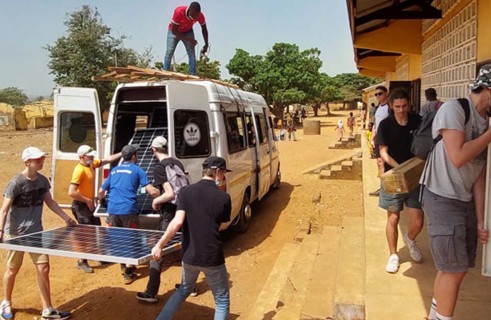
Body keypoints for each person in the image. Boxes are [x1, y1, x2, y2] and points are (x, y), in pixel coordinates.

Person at [420, 64, 491, 320]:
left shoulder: (485, 121)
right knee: (454, 269)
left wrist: (482, 218)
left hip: (464, 199)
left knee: (453, 269)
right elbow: (459, 156)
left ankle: (434, 316)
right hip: (442, 196)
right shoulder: (454, 109)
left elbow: (479, 173)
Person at [0, 147, 76, 320]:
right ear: (27, 162)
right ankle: (6, 302)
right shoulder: (15, 183)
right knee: (12, 270)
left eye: (42, 158)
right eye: (37, 159)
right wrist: (0, 231)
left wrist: (66, 218)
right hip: (16, 235)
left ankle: (47, 309)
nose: (41, 161)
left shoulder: (42, 181)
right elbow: (4, 210)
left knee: (43, 268)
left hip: (36, 234)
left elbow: (50, 202)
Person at [152, 156, 231, 320]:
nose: (223, 178)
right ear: (218, 172)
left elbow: (177, 222)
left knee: (183, 290)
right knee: (222, 300)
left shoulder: (185, 192)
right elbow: (222, 224)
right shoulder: (223, 198)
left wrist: (159, 245)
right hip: (212, 256)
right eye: (223, 174)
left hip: (189, 255)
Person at [136, 136, 196, 303]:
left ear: (153, 150)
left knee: (158, 248)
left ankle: (151, 292)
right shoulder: (177, 163)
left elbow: (170, 194)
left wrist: (156, 200)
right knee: (185, 246)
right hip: (184, 209)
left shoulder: (160, 167)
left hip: (170, 213)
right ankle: (189, 286)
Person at [375, 88, 424, 274]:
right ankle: (393, 255)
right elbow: (383, 152)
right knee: (393, 217)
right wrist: (399, 169)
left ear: (409, 104)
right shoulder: (385, 125)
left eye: (404, 106)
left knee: (418, 220)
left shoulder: (418, 122)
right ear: (391, 106)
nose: (402, 110)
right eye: (397, 106)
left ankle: (410, 239)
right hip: (394, 177)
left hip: (415, 177)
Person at [98, 144, 159, 285]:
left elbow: (101, 191)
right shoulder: (137, 170)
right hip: (128, 210)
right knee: (132, 239)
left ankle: (123, 264)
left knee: (118, 238)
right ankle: (129, 272)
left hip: (113, 210)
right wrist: (163, 195)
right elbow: (151, 191)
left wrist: (101, 202)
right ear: (133, 156)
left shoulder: (114, 171)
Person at [68, 145, 121, 273]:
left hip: (89, 205)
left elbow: (106, 160)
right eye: (89, 155)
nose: (92, 157)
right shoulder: (79, 170)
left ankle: (98, 256)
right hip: (81, 206)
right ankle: (82, 261)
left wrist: (121, 153)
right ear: (82, 157)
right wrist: (87, 201)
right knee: (86, 234)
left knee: (96, 230)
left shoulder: (90, 165)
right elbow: (71, 192)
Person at [164, 2, 208, 76]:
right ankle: (165, 74)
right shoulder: (179, 11)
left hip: (188, 31)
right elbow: (174, 31)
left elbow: (204, 28)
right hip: (174, 31)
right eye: (193, 15)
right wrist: (189, 40)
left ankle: (192, 74)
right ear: (190, 10)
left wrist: (206, 44)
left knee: (191, 53)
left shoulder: (200, 15)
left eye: (197, 16)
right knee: (169, 51)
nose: (195, 17)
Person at [369, 86, 390, 197]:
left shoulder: (390, 107)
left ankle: (386, 187)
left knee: (384, 163)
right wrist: (372, 138)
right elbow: (376, 124)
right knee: (380, 163)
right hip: (378, 139)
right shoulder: (378, 108)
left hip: (387, 139)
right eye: (376, 94)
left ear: (387, 93)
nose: (378, 96)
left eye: (380, 93)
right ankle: (382, 187)